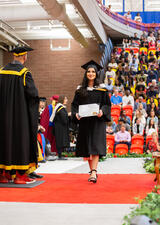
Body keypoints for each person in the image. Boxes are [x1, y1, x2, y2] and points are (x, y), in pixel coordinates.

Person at [0, 46, 39, 184]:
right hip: (19, 116)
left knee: (4, 142)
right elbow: (33, 95)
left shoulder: (1, 71)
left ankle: (3, 175)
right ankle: (19, 176)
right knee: (20, 142)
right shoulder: (24, 73)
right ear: (25, 57)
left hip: (3, 117)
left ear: (13, 56)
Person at [71, 60, 111, 183]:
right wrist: (76, 114)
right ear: (85, 73)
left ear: (96, 74)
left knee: (95, 146)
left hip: (97, 122)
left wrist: (102, 111)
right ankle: (92, 171)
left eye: (93, 71)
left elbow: (107, 104)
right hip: (84, 122)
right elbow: (74, 105)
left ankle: (94, 172)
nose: (91, 73)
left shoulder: (102, 89)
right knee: (87, 148)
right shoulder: (80, 89)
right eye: (89, 71)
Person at [50, 95, 70, 160]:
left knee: (59, 141)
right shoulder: (60, 108)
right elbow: (64, 120)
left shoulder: (59, 107)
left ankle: (60, 155)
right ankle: (60, 155)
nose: (67, 100)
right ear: (62, 100)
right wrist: (68, 115)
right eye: (66, 99)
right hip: (59, 128)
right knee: (60, 141)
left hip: (58, 128)